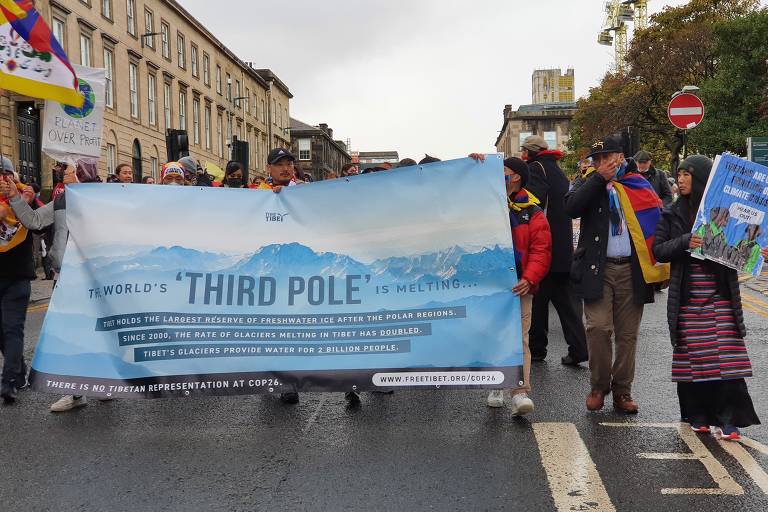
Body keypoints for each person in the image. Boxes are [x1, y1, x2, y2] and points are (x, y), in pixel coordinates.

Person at [653, 155, 763, 440]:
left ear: (701, 178)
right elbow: (659, 250)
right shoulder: (672, 212)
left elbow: (742, 246)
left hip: (720, 296)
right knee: (695, 361)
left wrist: (757, 253)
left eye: (687, 174)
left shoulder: (723, 213)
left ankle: (729, 420)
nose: (680, 179)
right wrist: (686, 241)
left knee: (727, 360)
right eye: (679, 174)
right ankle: (698, 415)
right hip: (688, 299)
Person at [565, 135, 669, 414]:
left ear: (620, 157)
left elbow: (657, 222)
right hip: (598, 269)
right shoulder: (589, 182)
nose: (601, 163)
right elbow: (571, 208)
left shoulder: (638, 183)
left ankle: (623, 390)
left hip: (631, 270)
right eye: (596, 159)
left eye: (606, 158)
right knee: (597, 328)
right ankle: (599, 386)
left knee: (627, 335)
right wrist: (598, 178)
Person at [469, 154, 552, 415]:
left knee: (520, 339)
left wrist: (529, 278)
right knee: (492, 335)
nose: (498, 173)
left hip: (519, 285)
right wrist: (475, 164)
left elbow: (541, 249)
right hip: (489, 284)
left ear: (515, 176)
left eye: (502, 169)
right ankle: (496, 384)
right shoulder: (486, 203)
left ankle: (519, 391)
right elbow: (462, 192)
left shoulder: (532, 211)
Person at [522, 135, 588, 366]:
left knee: (539, 302)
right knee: (567, 304)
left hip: (545, 249)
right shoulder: (557, 171)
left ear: (529, 153)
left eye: (524, 152)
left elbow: (531, 202)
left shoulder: (535, 169)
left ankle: (537, 349)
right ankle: (578, 349)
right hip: (562, 248)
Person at [0, 157, 33, 403]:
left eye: (6, 175)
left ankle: (8, 381)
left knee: (13, 329)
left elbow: (44, 222)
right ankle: (18, 370)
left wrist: (20, 200)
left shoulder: (27, 196)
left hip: (18, 276)